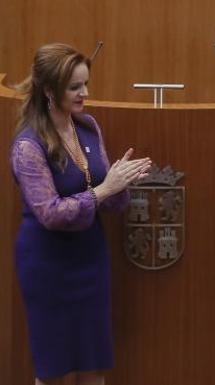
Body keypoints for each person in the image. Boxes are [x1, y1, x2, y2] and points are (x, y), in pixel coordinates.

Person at [10, 43, 151, 385]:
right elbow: (51, 214)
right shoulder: (28, 146)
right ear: (49, 90)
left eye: (85, 83)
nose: (84, 93)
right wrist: (104, 189)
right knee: (53, 365)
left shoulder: (87, 126)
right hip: (48, 265)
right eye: (74, 87)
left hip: (90, 258)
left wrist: (120, 184)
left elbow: (107, 197)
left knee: (93, 362)